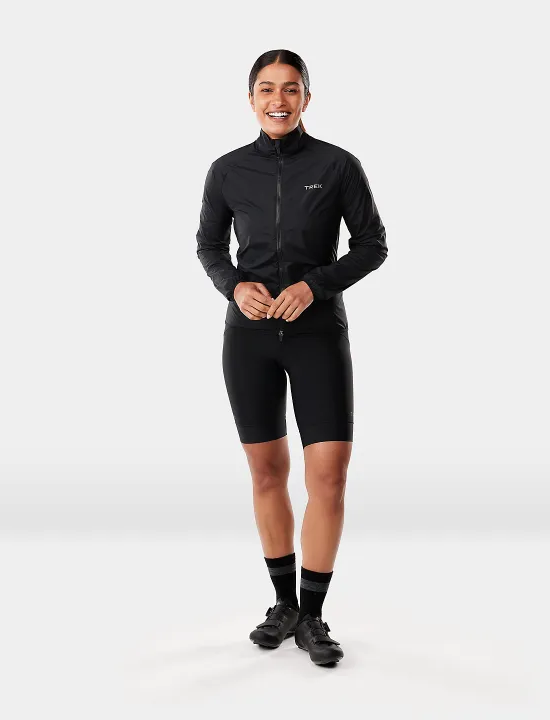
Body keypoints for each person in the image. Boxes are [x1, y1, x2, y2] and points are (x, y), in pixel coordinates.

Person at [195, 49, 388, 666]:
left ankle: (314, 614)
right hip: (248, 337)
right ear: (251, 98)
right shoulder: (227, 170)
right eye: (266, 88)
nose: (277, 99)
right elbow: (208, 244)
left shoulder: (337, 165)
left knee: (328, 476)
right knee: (266, 472)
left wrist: (315, 286)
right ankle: (283, 605)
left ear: (307, 97)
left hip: (317, 334)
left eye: (290, 88)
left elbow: (372, 245)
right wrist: (234, 285)